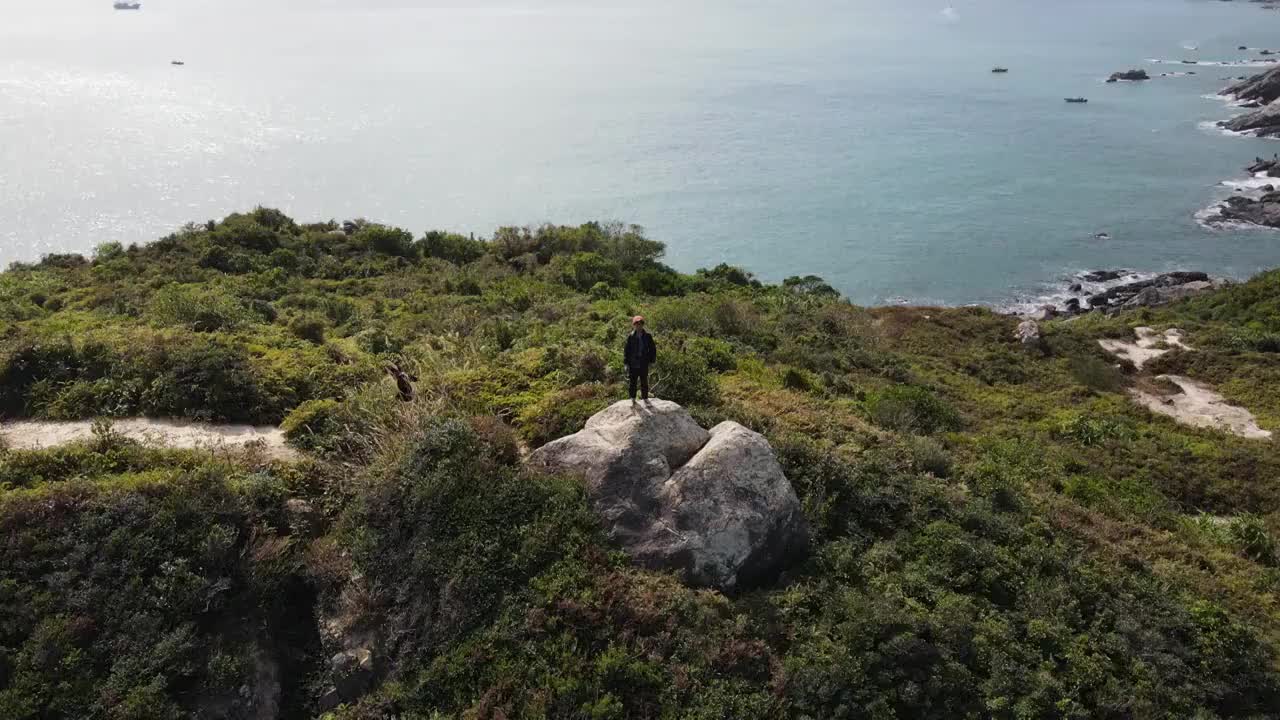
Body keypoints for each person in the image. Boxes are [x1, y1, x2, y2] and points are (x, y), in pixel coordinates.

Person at [623, 315, 657, 401]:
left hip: (643, 362)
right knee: (633, 382)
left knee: (644, 381)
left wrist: (652, 361)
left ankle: (645, 398)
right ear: (634, 325)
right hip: (633, 362)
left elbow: (653, 349)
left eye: (640, 323)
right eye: (637, 324)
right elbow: (627, 350)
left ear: (643, 324)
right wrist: (626, 363)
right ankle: (633, 398)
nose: (639, 325)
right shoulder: (631, 336)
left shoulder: (648, 336)